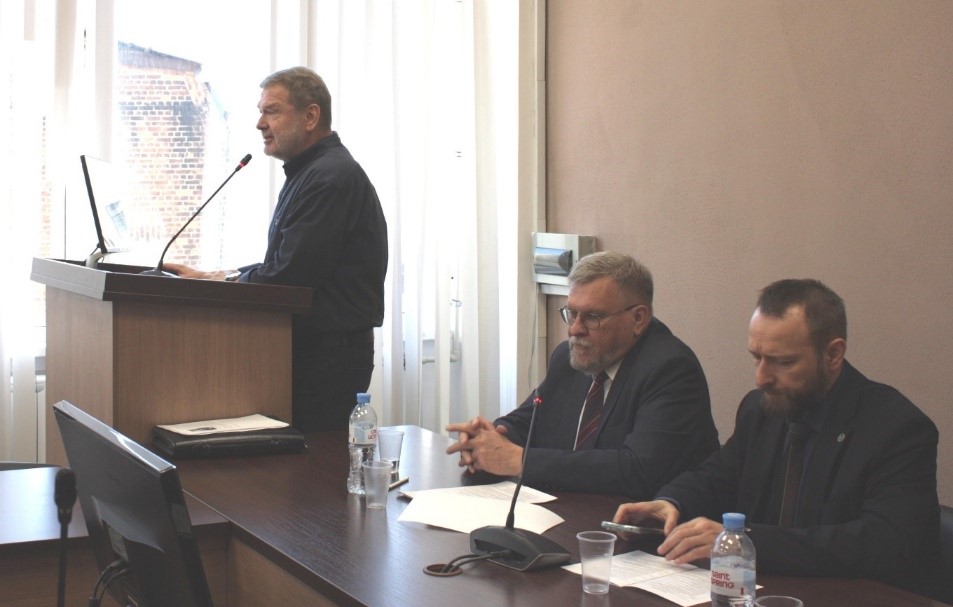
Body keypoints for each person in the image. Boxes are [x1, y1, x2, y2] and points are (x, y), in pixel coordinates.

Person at [612, 279, 941, 595]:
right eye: (757, 357)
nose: (761, 378)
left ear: (833, 354)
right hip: (762, 591)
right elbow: (717, 476)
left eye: (782, 362)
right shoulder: (761, 409)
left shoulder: (897, 428)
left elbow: (881, 543)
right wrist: (671, 502)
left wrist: (744, 542)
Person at [166, 67, 388, 432]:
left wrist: (224, 283)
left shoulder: (329, 177)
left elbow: (289, 278)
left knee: (311, 462)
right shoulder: (311, 171)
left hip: (327, 356)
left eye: (272, 111)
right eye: (261, 112)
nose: (260, 123)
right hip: (314, 349)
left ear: (310, 116)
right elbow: (286, 263)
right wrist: (215, 276)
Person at [445, 251, 718, 496]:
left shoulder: (670, 369)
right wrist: (489, 438)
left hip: (649, 527)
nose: (575, 329)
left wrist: (520, 460)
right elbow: (529, 422)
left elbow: (638, 470)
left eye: (592, 317)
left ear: (638, 318)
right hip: (571, 514)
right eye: (572, 313)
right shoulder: (569, 358)